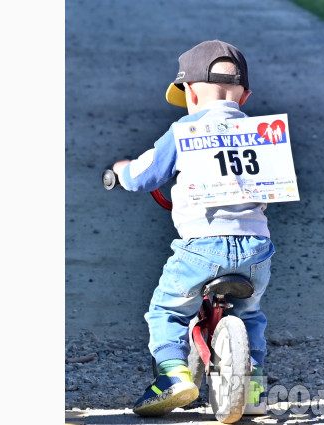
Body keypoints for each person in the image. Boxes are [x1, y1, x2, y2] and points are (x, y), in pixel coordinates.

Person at [111, 40, 274, 416]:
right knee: (250, 315)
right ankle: (252, 391)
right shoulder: (262, 132)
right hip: (256, 248)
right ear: (244, 95)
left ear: (189, 92)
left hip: (203, 246)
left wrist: (121, 171)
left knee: (166, 311)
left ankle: (172, 374)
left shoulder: (186, 127)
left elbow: (144, 175)